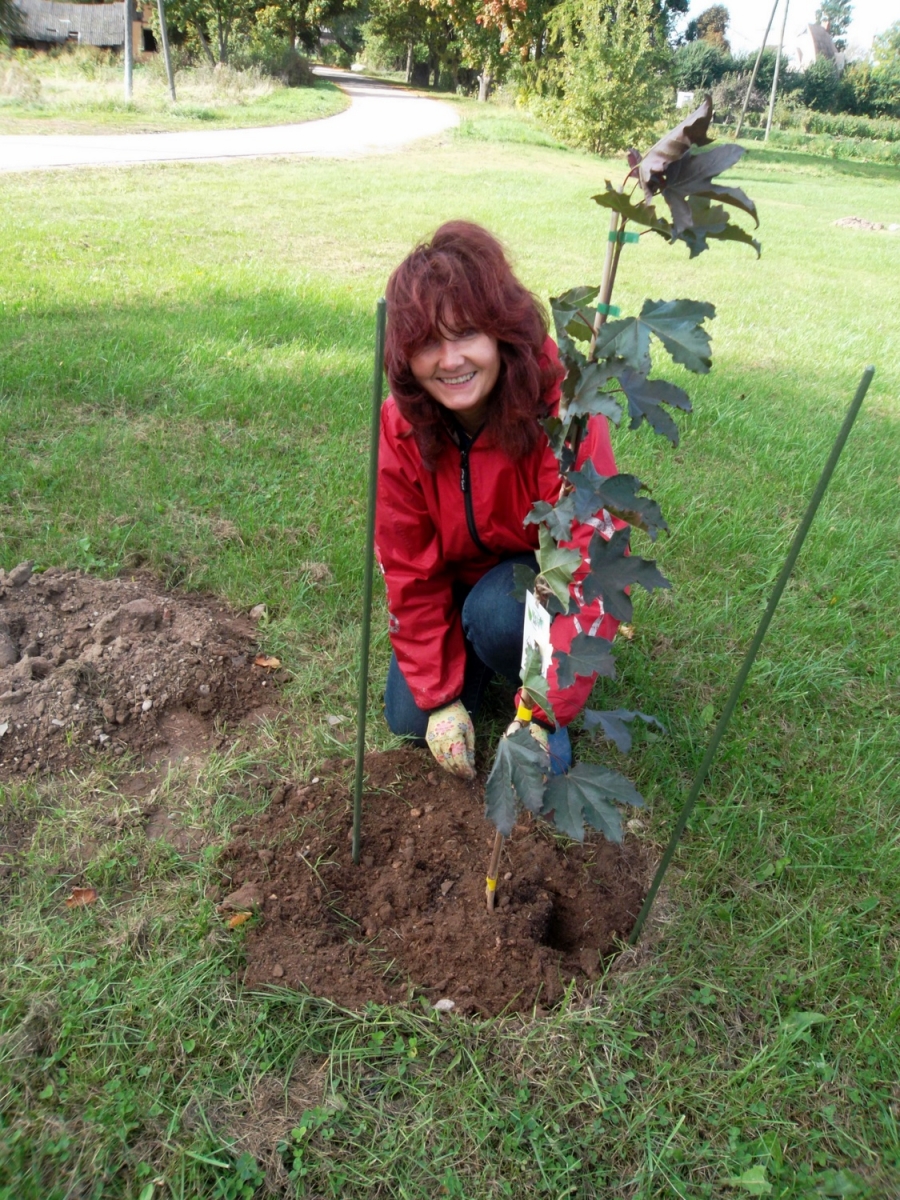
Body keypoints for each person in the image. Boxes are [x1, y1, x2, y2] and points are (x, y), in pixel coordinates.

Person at [375, 220, 622, 781]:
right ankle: (466, 666)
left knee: (496, 615)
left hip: (531, 578)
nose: (451, 360)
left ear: (502, 334)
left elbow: (590, 559)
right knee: (407, 716)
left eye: (466, 334)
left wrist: (542, 712)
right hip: (452, 574)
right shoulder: (403, 425)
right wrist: (438, 699)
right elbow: (407, 562)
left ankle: (524, 689)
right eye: (427, 344)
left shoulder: (560, 410)